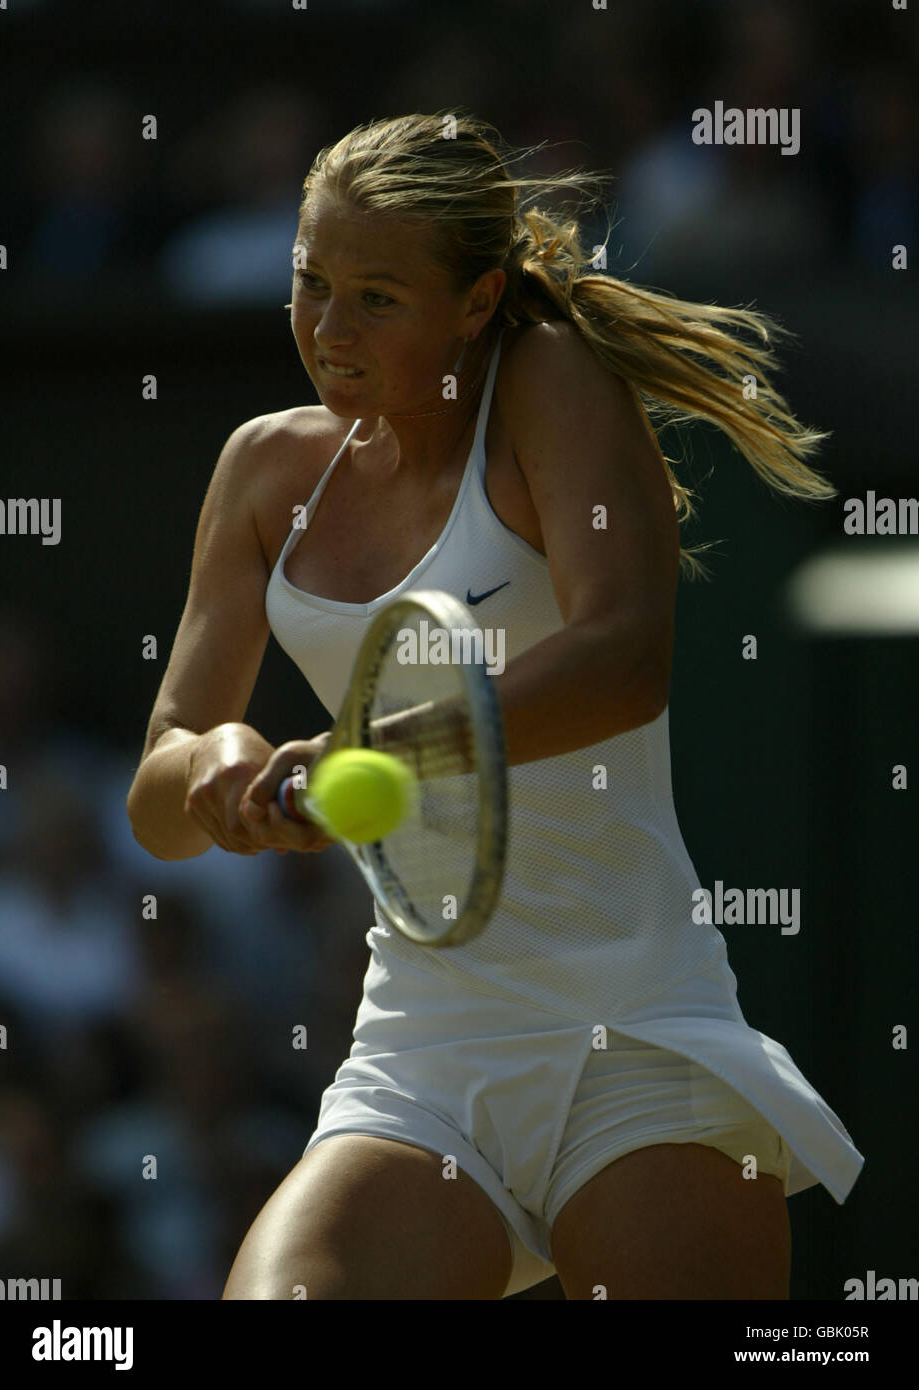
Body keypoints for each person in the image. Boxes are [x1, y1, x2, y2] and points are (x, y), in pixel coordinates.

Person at [127, 111, 864, 1300]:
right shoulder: (262, 468)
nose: (327, 328)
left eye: (377, 297)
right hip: (419, 1051)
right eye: (310, 285)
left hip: (633, 1032)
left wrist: (381, 746)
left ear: (475, 303)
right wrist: (220, 763)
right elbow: (156, 793)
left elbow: (624, 656)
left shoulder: (550, 381)